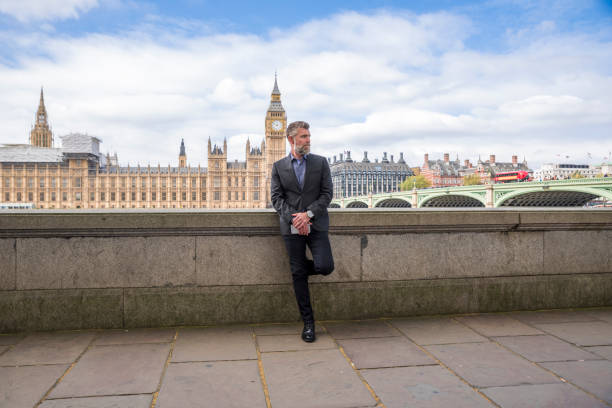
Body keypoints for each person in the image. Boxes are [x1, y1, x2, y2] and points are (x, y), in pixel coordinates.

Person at [270, 121, 334, 342]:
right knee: (298, 274)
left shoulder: (320, 162)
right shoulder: (278, 167)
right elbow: (276, 199)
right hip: (292, 226)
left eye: (309, 136)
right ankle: (308, 323)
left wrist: (308, 215)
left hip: (315, 224)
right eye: (304, 137)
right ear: (291, 139)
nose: (308, 140)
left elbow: (327, 195)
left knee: (324, 266)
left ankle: (298, 269)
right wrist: (295, 219)